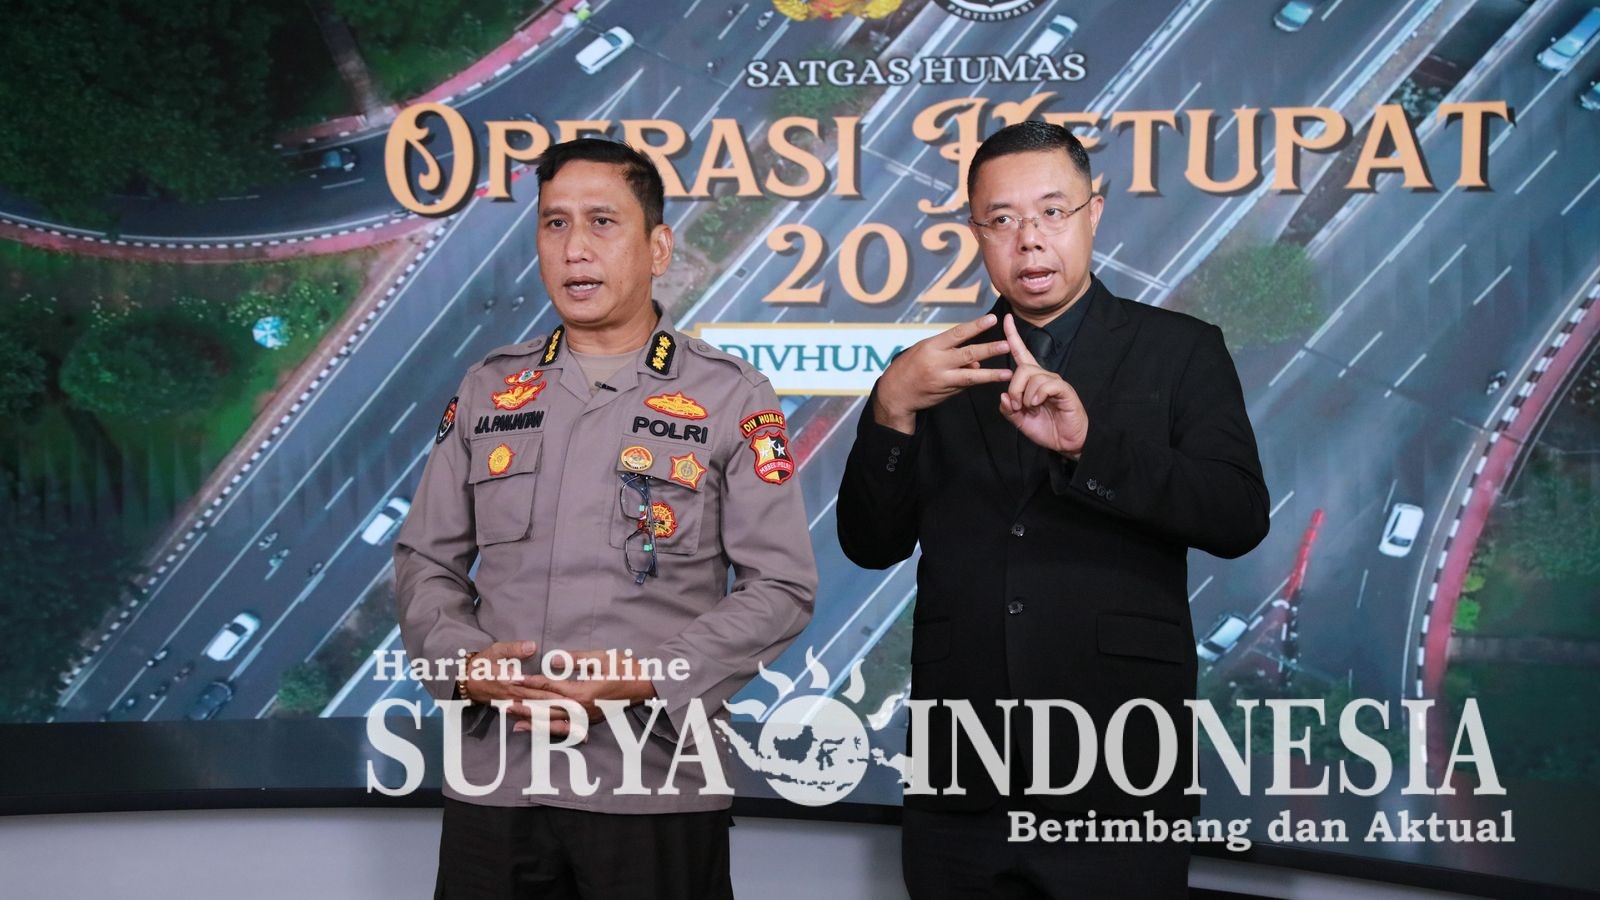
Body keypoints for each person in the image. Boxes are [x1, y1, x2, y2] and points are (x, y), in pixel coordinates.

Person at [837, 120, 1270, 897]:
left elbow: (1238, 516)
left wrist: (1088, 448)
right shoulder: (933, 370)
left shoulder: (1180, 349)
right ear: (976, 232)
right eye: (1001, 219)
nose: (1029, 239)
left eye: (1051, 212)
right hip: (960, 774)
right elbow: (871, 545)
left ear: (1093, 213)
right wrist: (891, 407)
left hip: (1120, 769)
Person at [395, 137, 817, 899]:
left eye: (602, 222)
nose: (575, 249)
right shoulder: (491, 388)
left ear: (658, 248)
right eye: (555, 224)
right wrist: (463, 664)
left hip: (653, 785)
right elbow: (426, 560)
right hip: (497, 783)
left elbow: (781, 588)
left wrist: (649, 678)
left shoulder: (731, 394)